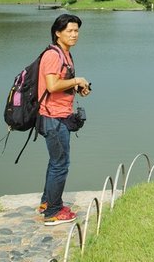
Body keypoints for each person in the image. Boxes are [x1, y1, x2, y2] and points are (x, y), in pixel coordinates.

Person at [37, 13, 91, 226]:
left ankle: (47, 202)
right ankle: (53, 212)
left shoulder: (65, 54)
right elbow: (52, 86)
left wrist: (78, 87)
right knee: (60, 164)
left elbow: (61, 83)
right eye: (69, 31)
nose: (74, 34)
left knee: (55, 162)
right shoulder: (53, 55)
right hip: (54, 118)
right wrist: (76, 80)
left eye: (76, 30)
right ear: (57, 33)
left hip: (60, 115)